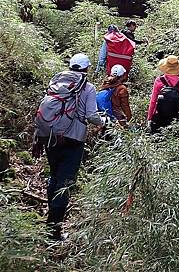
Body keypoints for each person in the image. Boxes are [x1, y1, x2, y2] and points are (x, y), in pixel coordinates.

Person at [33, 53, 106, 241]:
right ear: (87, 68)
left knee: (54, 177)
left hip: (51, 137)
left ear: (71, 66)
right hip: (73, 139)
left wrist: (38, 138)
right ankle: (54, 230)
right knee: (65, 182)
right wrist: (104, 121)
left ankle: (50, 223)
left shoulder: (56, 81)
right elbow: (91, 115)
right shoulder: (87, 87)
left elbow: (45, 110)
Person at [146, 55, 179, 133]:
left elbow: (153, 100)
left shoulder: (159, 80)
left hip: (159, 115)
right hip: (174, 116)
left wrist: (150, 117)